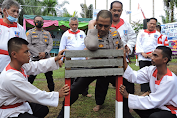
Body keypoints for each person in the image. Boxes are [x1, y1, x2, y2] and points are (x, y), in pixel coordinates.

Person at [57, 10, 123, 118]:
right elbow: (92, 45)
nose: (102, 28)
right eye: (100, 25)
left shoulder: (115, 32)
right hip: (92, 67)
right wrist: (91, 25)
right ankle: (62, 114)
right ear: (96, 22)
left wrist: (122, 49)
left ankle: (126, 112)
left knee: (126, 86)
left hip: (111, 68)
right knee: (74, 89)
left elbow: (121, 45)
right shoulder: (92, 31)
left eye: (106, 26)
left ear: (111, 24)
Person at [0, 37, 70, 118]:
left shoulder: (21, 66)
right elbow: (35, 94)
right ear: (14, 54)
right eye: (26, 52)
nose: (29, 54)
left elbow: (37, 66)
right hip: (11, 111)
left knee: (43, 109)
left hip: (21, 105)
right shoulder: (11, 77)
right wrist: (58, 95)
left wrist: (55, 59)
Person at [92, 1, 136, 117]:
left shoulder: (126, 25)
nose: (116, 12)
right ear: (110, 10)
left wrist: (128, 47)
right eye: (114, 10)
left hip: (120, 61)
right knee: (101, 83)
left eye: (119, 10)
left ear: (121, 11)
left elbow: (132, 38)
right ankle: (99, 103)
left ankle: (128, 104)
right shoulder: (101, 24)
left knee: (127, 83)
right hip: (104, 61)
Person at [120, 46, 177, 118]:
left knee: (155, 116)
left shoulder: (170, 80)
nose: (152, 57)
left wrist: (128, 96)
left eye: (155, 55)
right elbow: (134, 76)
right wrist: (124, 59)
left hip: (170, 110)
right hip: (158, 105)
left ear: (165, 59)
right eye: (152, 54)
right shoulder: (151, 70)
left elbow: (154, 101)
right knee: (136, 105)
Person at [58, 17, 91, 97]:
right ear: (69, 25)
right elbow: (62, 47)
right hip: (71, 60)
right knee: (71, 77)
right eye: (72, 24)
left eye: (76, 24)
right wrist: (60, 59)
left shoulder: (82, 33)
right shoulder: (66, 34)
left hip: (82, 59)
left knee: (84, 76)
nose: (74, 26)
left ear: (78, 24)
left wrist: (87, 56)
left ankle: (84, 92)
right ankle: (71, 92)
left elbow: (86, 45)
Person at [136, 18, 166, 93]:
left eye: (154, 24)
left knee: (154, 74)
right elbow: (138, 44)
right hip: (142, 57)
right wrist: (143, 53)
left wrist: (152, 54)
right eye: (151, 23)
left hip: (154, 58)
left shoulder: (158, 34)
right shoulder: (141, 33)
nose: (152, 25)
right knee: (143, 74)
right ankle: (144, 91)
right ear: (147, 23)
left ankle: (153, 90)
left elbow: (159, 45)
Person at [27, 15, 55, 92]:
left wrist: (45, 53)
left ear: (43, 22)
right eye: (37, 21)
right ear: (34, 22)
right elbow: (28, 45)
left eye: (41, 21)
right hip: (35, 58)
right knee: (31, 77)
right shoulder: (30, 33)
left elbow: (50, 44)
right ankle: (26, 92)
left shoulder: (47, 33)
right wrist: (38, 54)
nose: (39, 22)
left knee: (49, 76)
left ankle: (52, 92)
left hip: (46, 58)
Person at [0, 0, 26, 73]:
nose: (16, 14)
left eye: (17, 12)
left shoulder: (20, 28)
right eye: (13, 11)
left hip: (13, 64)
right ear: (5, 11)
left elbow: (24, 45)